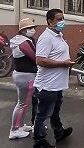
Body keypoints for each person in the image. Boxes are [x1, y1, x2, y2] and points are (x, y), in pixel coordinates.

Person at [33, 9, 75, 148]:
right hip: (47, 85)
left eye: (63, 18)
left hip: (58, 84)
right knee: (43, 113)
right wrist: (63, 63)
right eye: (59, 19)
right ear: (50, 21)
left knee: (55, 110)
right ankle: (39, 140)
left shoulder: (58, 35)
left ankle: (59, 132)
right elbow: (40, 60)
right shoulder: (46, 38)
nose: (62, 22)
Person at [9, 18, 39, 140]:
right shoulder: (23, 43)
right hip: (25, 76)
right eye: (29, 28)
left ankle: (19, 126)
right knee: (22, 104)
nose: (32, 30)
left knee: (23, 104)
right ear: (23, 30)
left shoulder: (20, 40)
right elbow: (35, 57)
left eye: (33, 28)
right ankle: (14, 130)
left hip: (21, 75)